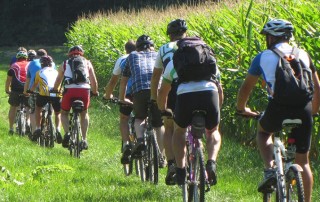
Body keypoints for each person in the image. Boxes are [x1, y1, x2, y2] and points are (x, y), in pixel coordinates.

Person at [236, 19, 319, 202]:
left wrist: (241, 108)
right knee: (303, 161)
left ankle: (270, 170)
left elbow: (246, 88)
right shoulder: (303, 54)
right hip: (303, 110)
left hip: (278, 109)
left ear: (271, 37)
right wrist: (313, 111)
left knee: (264, 132)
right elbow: (317, 86)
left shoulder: (263, 56)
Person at [158, 38, 223, 186]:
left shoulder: (174, 64)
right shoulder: (210, 61)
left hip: (185, 96)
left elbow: (163, 92)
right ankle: (211, 162)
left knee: (179, 131)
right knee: (213, 130)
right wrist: (217, 108)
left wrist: (163, 109)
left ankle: (181, 169)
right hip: (209, 93)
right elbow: (220, 90)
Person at [150, 18, 188, 185]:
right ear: (185, 33)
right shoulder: (195, 45)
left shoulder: (164, 48)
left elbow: (156, 76)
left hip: (171, 90)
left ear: (170, 35)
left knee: (170, 127)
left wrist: (154, 99)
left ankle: (172, 162)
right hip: (194, 89)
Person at [119, 35, 164, 162]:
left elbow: (123, 82)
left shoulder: (132, 56)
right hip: (157, 91)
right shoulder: (158, 55)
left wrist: (122, 99)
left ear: (137, 47)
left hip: (139, 91)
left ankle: (140, 140)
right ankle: (161, 156)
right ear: (152, 46)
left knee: (139, 117)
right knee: (159, 124)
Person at [53, 45, 99, 150]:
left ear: (69, 54)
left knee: (64, 113)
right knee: (84, 113)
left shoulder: (64, 63)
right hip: (84, 90)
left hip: (70, 90)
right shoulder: (87, 63)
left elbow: (58, 80)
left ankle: (67, 133)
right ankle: (84, 139)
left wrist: (55, 89)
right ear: (81, 54)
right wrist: (95, 92)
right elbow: (94, 81)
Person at [103, 40, 136, 164]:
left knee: (124, 118)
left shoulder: (122, 59)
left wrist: (107, 95)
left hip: (129, 93)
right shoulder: (145, 56)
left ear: (125, 49)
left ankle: (126, 143)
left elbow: (113, 81)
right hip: (146, 91)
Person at [29, 55, 62, 142]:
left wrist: (30, 91)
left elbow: (34, 85)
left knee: (38, 108)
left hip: (44, 95)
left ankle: (38, 128)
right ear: (51, 64)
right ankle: (58, 129)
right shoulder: (57, 72)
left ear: (41, 64)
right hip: (56, 95)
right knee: (58, 113)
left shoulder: (39, 72)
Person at [24, 49, 49, 136]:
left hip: (35, 89)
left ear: (37, 56)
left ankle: (34, 131)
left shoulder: (32, 63)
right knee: (47, 109)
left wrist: (26, 91)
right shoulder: (51, 63)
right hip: (49, 90)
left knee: (33, 110)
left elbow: (28, 79)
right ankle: (47, 128)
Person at [5, 50, 30, 134]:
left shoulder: (13, 65)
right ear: (26, 57)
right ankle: (27, 123)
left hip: (15, 89)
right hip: (27, 89)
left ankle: (11, 128)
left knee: (13, 107)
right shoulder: (29, 64)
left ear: (17, 58)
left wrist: (7, 90)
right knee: (28, 106)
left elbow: (8, 80)